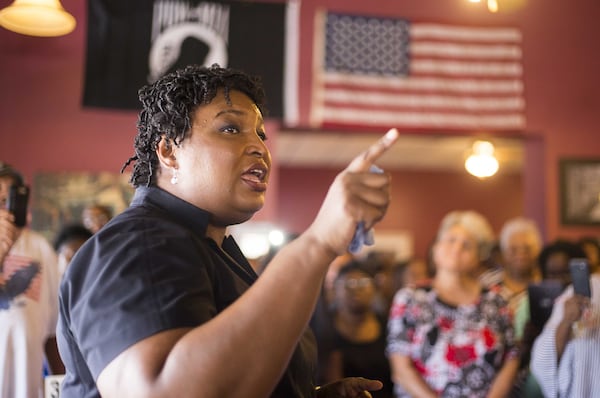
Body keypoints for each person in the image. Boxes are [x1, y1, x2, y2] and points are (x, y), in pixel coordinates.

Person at [57, 64, 399, 398]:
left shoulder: (209, 246)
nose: (259, 148)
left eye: (260, 134)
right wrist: (318, 243)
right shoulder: (139, 244)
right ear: (168, 151)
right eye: (231, 129)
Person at [387, 210, 520, 398]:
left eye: (467, 245)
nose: (457, 248)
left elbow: (511, 358)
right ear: (436, 249)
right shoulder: (410, 298)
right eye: (451, 240)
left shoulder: (497, 300)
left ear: (477, 257)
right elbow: (401, 368)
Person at [0, 162, 63, 398]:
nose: (5, 208)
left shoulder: (40, 247)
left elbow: (53, 328)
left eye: (10, 199)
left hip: (28, 385)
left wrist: (59, 384)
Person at [322, 260, 394, 398]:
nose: (356, 289)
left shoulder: (389, 325)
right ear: (335, 289)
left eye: (363, 283)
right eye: (348, 284)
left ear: (374, 288)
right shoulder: (324, 327)